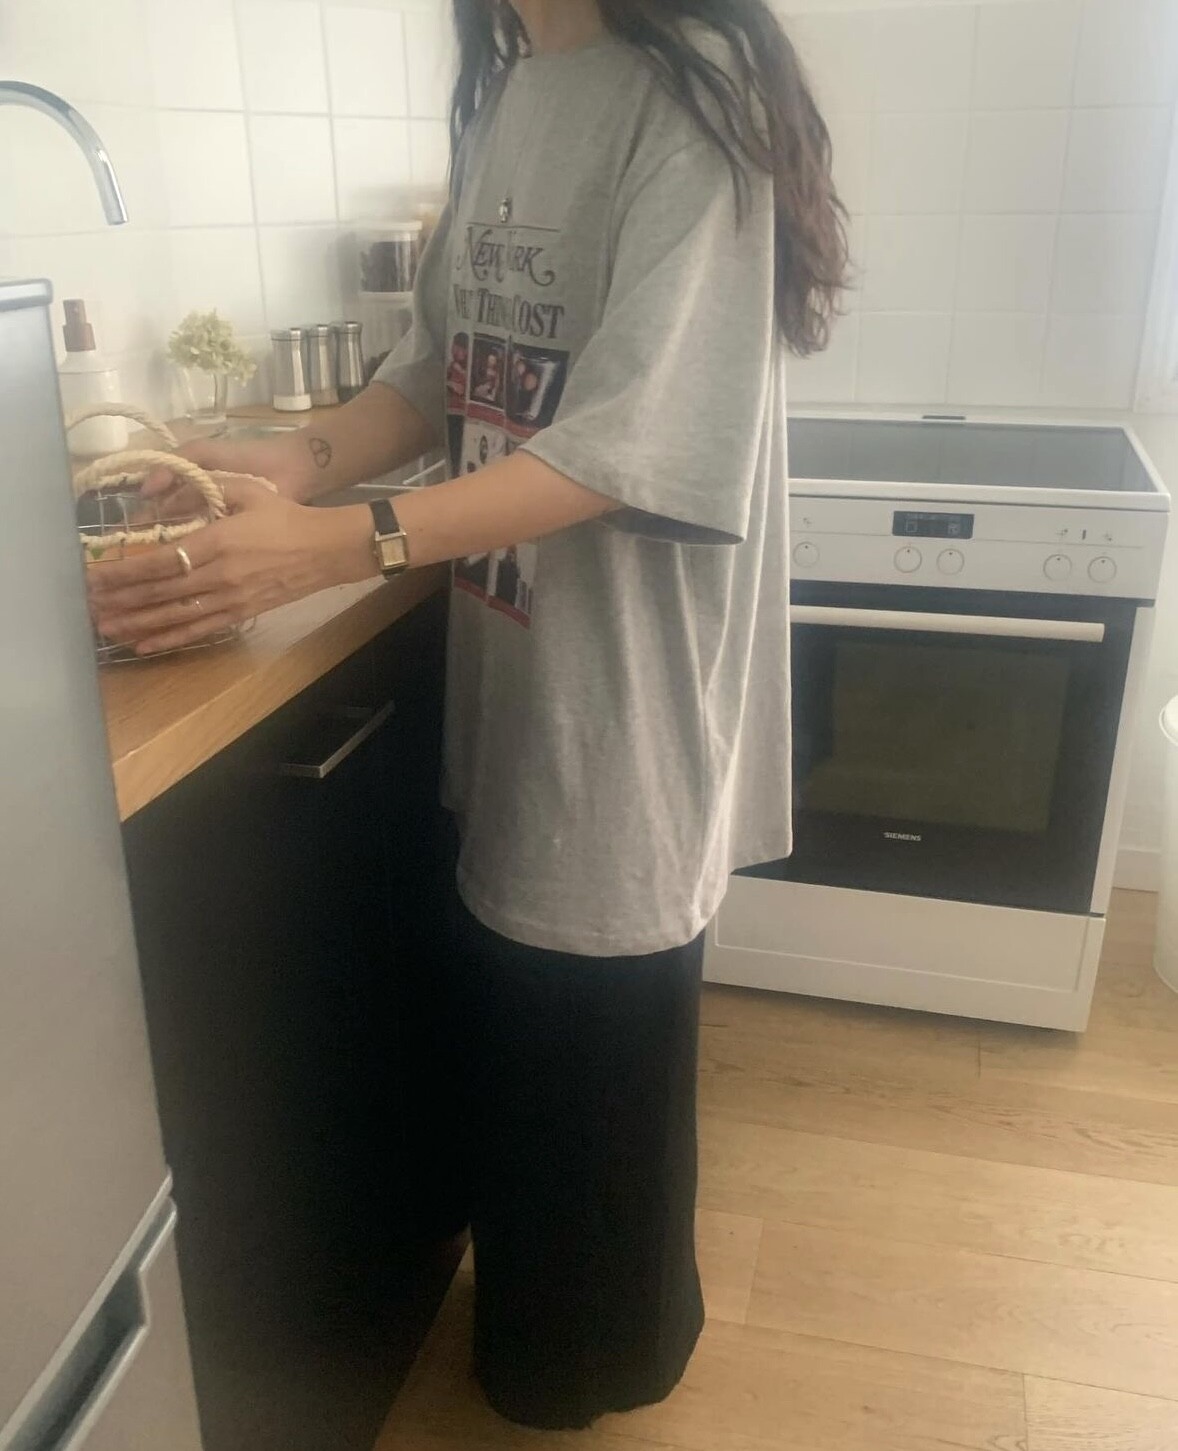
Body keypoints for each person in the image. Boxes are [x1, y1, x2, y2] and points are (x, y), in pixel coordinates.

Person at [88, 0, 847, 1430]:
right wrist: (291, 459)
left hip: (621, 685)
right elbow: (441, 365)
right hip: (516, 656)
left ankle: (597, 1368)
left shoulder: (697, 93)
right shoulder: (514, 82)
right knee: (528, 1031)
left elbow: (625, 446)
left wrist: (340, 543)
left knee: (593, 1030)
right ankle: (548, 1337)